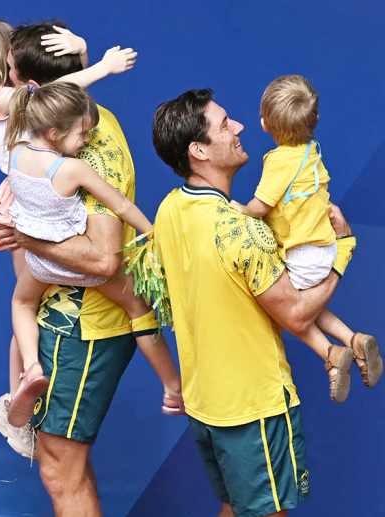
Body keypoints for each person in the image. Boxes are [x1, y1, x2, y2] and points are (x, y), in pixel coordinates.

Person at [0, 21, 171, 515]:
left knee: (58, 465)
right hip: (69, 315)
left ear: (29, 86)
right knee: (60, 463)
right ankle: (18, 396)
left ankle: (171, 385)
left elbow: (103, 259)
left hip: (84, 327)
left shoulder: (82, 150)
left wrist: (23, 236)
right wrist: (89, 54)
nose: (4, 80)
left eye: (9, 71)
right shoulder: (83, 118)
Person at [151, 88, 356, 517]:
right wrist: (342, 251)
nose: (240, 127)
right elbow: (298, 312)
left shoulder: (169, 209)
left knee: (234, 509)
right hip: (254, 409)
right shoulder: (243, 232)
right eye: (225, 125)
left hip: (205, 404)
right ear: (199, 151)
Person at [0, 18, 137, 457]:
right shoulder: (3, 101)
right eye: (10, 48)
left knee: (27, 300)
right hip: (30, 201)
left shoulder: (8, 102)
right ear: (0, 65)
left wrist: (84, 49)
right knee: (26, 300)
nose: (17, 51)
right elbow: (61, 93)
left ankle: (16, 398)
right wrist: (102, 64)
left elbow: (71, 101)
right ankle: (19, 394)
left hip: (29, 193)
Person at [1, 81, 183, 427]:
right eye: (82, 134)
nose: (86, 141)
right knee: (139, 308)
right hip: (84, 266)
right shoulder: (72, 169)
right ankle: (172, 387)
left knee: (21, 304)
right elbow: (122, 205)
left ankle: (28, 374)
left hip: (40, 262)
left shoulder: (15, 151)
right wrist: (153, 236)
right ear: (55, 132)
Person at [230, 75, 380, 402]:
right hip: (324, 247)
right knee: (307, 303)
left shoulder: (278, 161)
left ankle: (330, 353)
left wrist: (240, 209)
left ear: (264, 123)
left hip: (303, 255)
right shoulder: (312, 150)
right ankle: (352, 339)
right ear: (314, 121)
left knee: (291, 312)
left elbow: (261, 205)